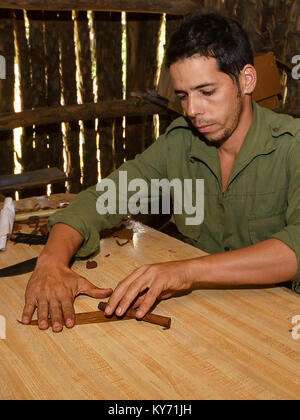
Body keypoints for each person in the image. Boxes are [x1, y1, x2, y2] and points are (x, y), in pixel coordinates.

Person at [21, 13, 300, 332]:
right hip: (207, 315)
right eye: (183, 95)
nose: (193, 110)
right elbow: (104, 199)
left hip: (281, 320)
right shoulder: (179, 143)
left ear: (246, 80)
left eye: (206, 92)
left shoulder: (293, 146)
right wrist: (52, 261)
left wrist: (185, 272)